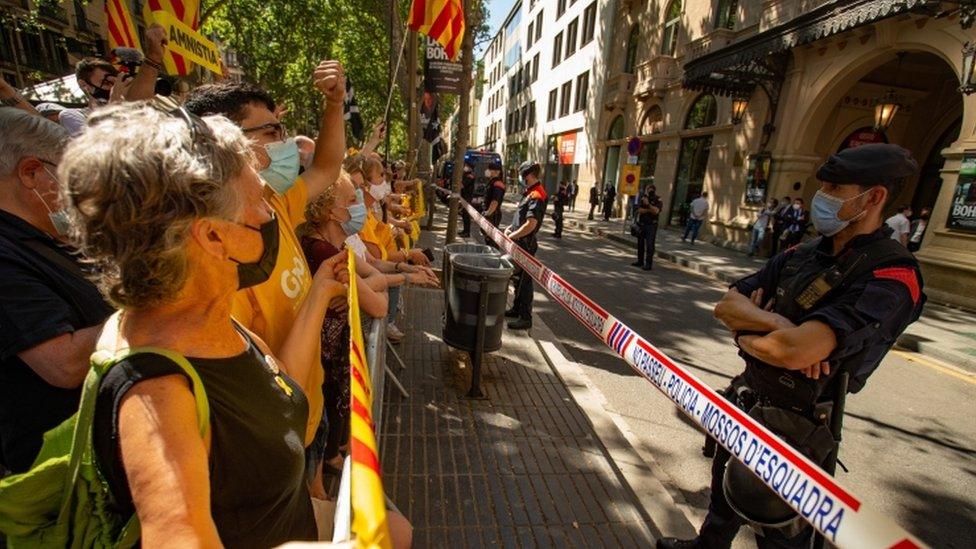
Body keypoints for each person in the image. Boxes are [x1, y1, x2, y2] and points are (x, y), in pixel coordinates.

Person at [63, 103, 334, 546]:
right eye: (257, 203)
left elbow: (285, 393)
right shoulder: (155, 393)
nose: (271, 216)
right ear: (211, 236)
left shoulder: (210, 318)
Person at [658, 143, 925, 549]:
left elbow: (795, 351)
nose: (822, 197)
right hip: (750, 396)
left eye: (835, 188)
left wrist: (751, 334)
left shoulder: (892, 273)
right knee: (724, 496)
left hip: (800, 423)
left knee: (779, 528)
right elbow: (728, 305)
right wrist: (776, 326)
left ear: (874, 198)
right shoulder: (803, 252)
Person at [184, 64, 347, 473]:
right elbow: (275, 385)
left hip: (312, 410)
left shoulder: (270, 203)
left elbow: (326, 168)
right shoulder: (217, 264)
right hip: (283, 436)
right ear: (226, 145)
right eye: (272, 132)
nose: (286, 142)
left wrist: (334, 105)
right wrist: (322, 291)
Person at [0, 109, 114, 474]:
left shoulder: (44, 238)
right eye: (71, 175)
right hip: (62, 472)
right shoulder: (5, 255)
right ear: (32, 172)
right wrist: (151, 307)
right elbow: (62, 364)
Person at [300, 173, 389, 493]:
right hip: (318, 369)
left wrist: (385, 280)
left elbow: (371, 276)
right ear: (329, 211)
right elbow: (377, 304)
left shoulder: (334, 248)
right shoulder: (323, 253)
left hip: (330, 365)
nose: (359, 206)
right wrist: (373, 286)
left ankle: (333, 460)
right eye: (351, 200)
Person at [59, 25, 170, 136]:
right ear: (84, 85)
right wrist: (114, 106)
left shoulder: (135, 114)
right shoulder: (72, 116)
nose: (114, 88)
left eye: (116, 82)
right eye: (107, 83)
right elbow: (97, 148)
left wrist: (153, 58)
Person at [505, 161, 548, 330]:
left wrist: (514, 235)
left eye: (522, 175)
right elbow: (521, 218)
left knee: (525, 281)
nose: (521, 178)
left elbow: (531, 224)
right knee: (517, 280)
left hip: (526, 244)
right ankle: (516, 309)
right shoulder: (529, 192)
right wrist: (511, 228)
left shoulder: (537, 194)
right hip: (519, 241)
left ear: (528, 175)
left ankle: (525, 317)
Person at [632, 184, 663, 271]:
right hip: (642, 224)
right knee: (640, 244)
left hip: (651, 225)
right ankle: (640, 261)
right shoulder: (643, 198)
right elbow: (638, 210)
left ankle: (648, 264)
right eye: (648, 189)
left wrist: (648, 205)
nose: (650, 190)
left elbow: (657, 211)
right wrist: (650, 210)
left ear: (654, 190)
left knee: (650, 245)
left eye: (651, 189)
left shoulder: (658, 199)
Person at [482, 160, 507, 247]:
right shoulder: (492, 182)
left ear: (497, 172)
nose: (487, 171)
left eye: (490, 169)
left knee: (491, 239)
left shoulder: (498, 184)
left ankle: (494, 257)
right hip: (491, 214)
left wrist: (488, 213)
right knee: (487, 237)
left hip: (493, 215)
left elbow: (495, 201)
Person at [459, 162, 476, 237]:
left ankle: (467, 232)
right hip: (464, 197)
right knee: (464, 215)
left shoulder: (470, 176)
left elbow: (462, 185)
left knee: (466, 216)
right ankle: (465, 231)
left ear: (470, 167)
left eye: (466, 166)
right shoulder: (466, 174)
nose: (464, 167)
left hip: (467, 198)